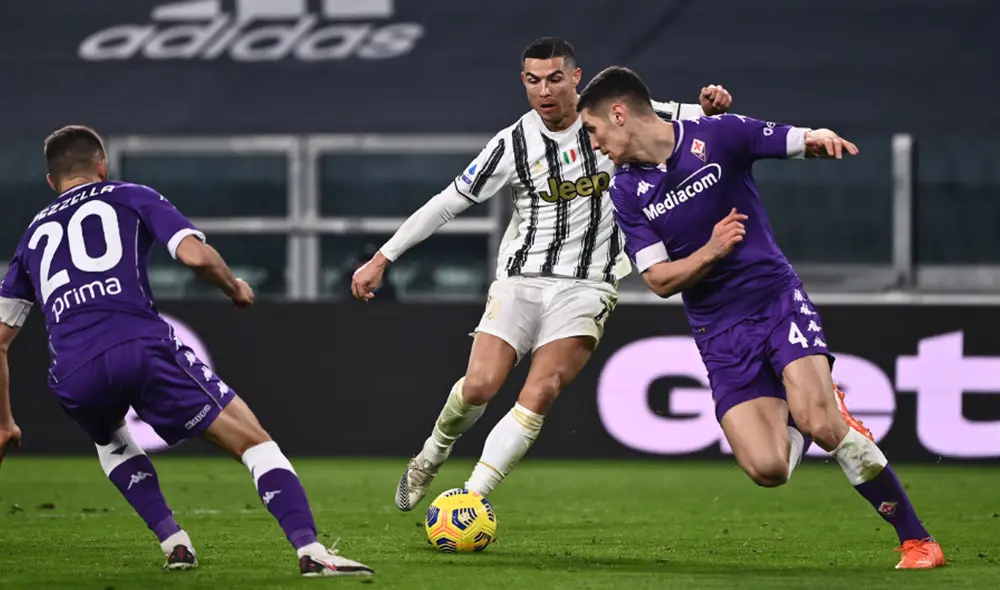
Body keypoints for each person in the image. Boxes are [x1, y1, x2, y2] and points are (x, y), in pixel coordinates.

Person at [576, 66, 945, 570]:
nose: (594, 144)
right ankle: (809, 406)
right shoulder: (625, 191)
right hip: (718, 332)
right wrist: (710, 251)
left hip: (774, 299)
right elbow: (659, 280)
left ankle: (917, 541)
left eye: (594, 130)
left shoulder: (718, 133)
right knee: (769, 469)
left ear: (619, 114)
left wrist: (818, 139)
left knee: (824, 424)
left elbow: (792, 138)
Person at [350, 37, 733, 511]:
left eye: (554, 78)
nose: (544, 91)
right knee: (479, 387)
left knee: (541, 389)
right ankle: (430, 456)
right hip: (521, 280)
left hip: (589, 285)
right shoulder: (513, 142)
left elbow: (696, 120)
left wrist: (710, 106)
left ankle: (470, 500)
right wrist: (383, 257)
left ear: (575, 77)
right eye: (533, 81)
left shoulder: (618, 112)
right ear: (524, 83)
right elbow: (449, 202)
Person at [0, 125, 373, 577]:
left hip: (72, 370)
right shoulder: (128, 194)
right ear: (102, 166)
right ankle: (311, 551)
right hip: (139, 345)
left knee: (111, 440)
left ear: (50, 181)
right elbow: (195, 256)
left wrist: (5, 421)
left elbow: (1, 340)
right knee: (254, 442)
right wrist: (234, 287)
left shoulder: (31, 237)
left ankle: (174, 542)